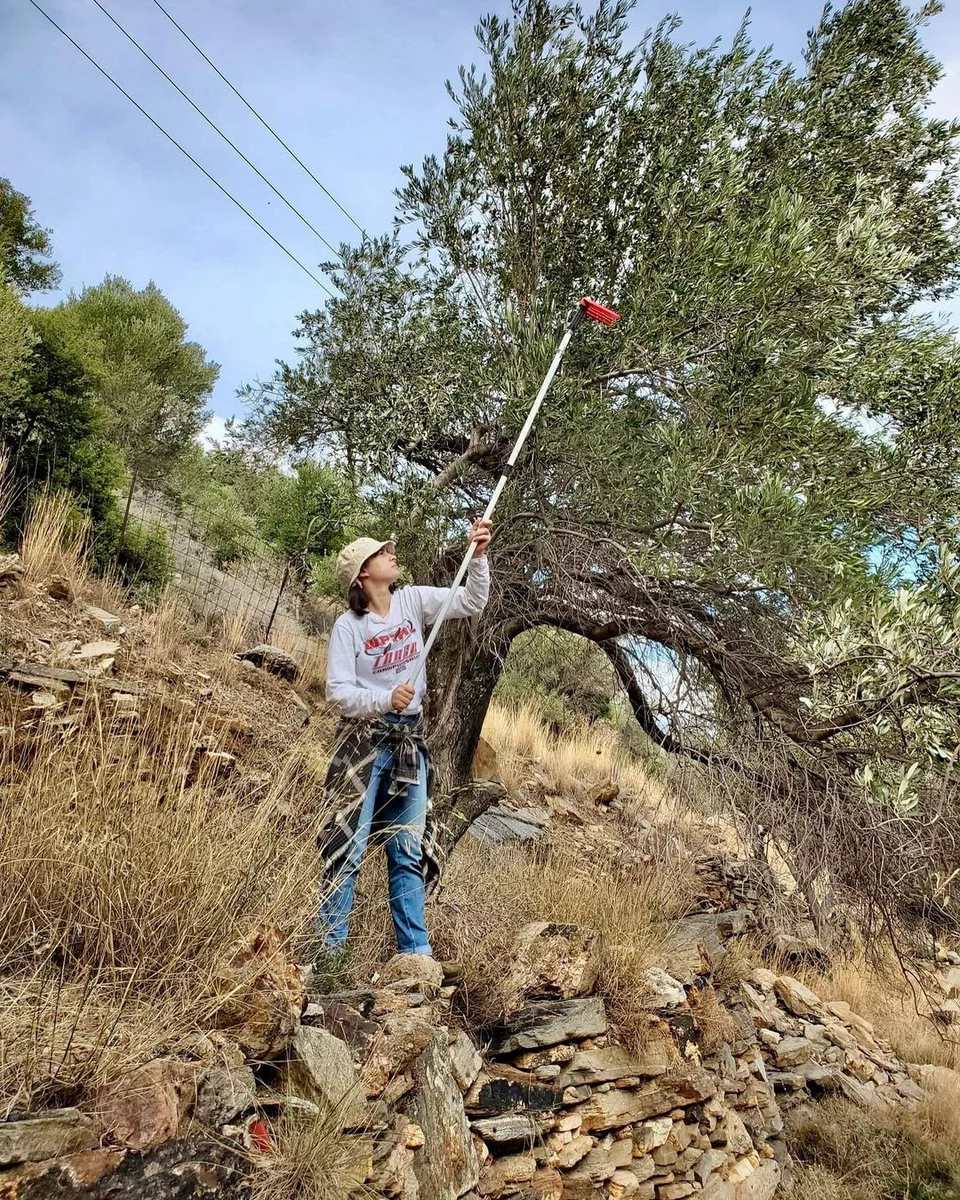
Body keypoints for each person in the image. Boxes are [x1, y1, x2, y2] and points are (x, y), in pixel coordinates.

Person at [312, 518, 492, 977]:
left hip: (409, 741)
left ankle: (416, 958)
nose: (391, 552)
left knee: (406, 849)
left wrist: (479, 558)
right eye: (381, 552)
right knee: (347, 847)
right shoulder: (348, 627)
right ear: (363, 575)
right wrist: (383, 698)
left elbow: (471, 599)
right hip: (362, 744)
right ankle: (330, 958)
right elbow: (337, 692)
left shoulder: (412, 601)